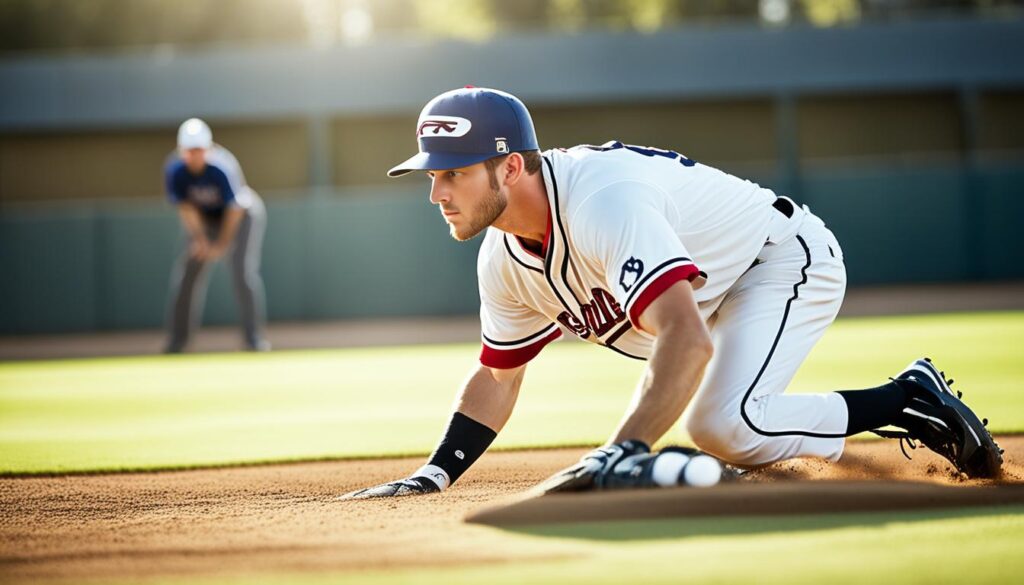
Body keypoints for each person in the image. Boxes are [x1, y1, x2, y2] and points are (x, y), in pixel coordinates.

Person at [341, 87, 1001, 499]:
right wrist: (437, 470)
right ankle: (902, 403)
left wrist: (622, 447)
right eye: (432, 175)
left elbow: (685, 338)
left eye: (452, 173)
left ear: (510, 166)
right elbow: (497, 376)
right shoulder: (504, 259)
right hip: (712, 293)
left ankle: (909, 399)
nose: (436, 192)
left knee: (721, 422)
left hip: (777, 258)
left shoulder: (602, 201)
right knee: (728, 422)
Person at [162, 118, 269, 353]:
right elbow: (187, 208)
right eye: (189, 151)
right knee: (186, 275)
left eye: (199, 150)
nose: (195, 155)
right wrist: (200, 240)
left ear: (208, 149)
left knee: (242, 273)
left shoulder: (223, 167)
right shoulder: (175, 169)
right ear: (182, 151)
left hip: (242, 217)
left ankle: (253, 339)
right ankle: (177, 342)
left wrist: (221, 245)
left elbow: (235, 210)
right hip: (205, 221)